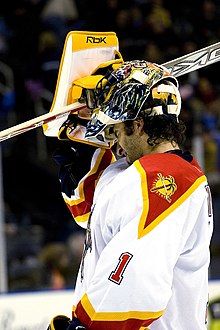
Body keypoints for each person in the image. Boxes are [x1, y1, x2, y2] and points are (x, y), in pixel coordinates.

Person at [48, 60, 213, 329]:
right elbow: (94, 214)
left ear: (137, 125)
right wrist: (77, 135)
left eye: (116, 129)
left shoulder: (165, 179)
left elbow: (137, 278)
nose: (115, 142)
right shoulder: (137, 173)